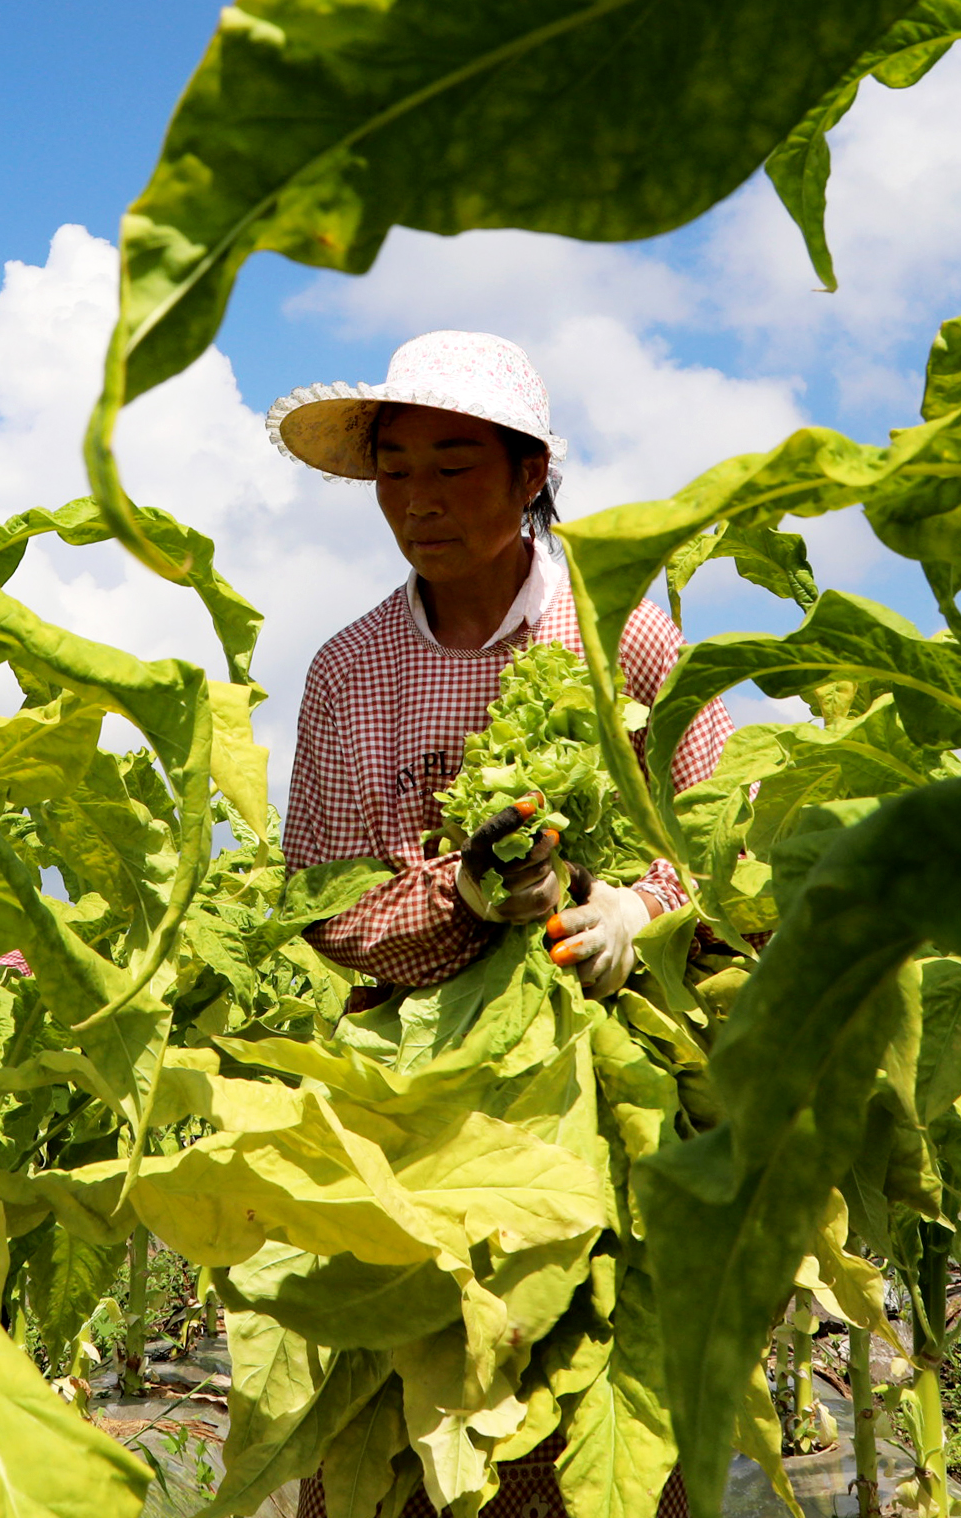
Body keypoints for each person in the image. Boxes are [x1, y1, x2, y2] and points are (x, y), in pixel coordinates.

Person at [269, 329, 731, 1518]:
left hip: (603, 1079)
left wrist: (640, 912)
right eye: (395, 470)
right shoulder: (349, 671)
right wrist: (460, 897)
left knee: (595, 1396)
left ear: (528, 475)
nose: (416, 500)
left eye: (453, 465)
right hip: (416, 1097)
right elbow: (320, 909)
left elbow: (721, 841)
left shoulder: (620, 630)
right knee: (401, 1410)